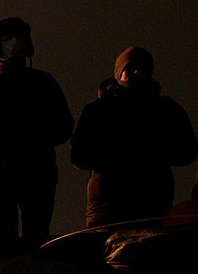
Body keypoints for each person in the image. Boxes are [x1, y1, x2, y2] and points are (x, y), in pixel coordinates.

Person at [0, 17, 74, 249]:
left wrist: (34, 141)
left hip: (36, 171)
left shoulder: (43, 82)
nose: (15, 43)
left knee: (37, 238)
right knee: (4, 239)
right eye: (8, 38)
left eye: (20, 38)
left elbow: (64, 124)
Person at [70, 46, 198, 228]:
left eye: (144, 67)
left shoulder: (167, 109)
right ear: (119, 72)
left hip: (149, 208)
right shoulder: (98, 110)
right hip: (110, 210)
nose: (138, 71)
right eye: (130, 66)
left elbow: (188, 151)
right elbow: (78, 156)